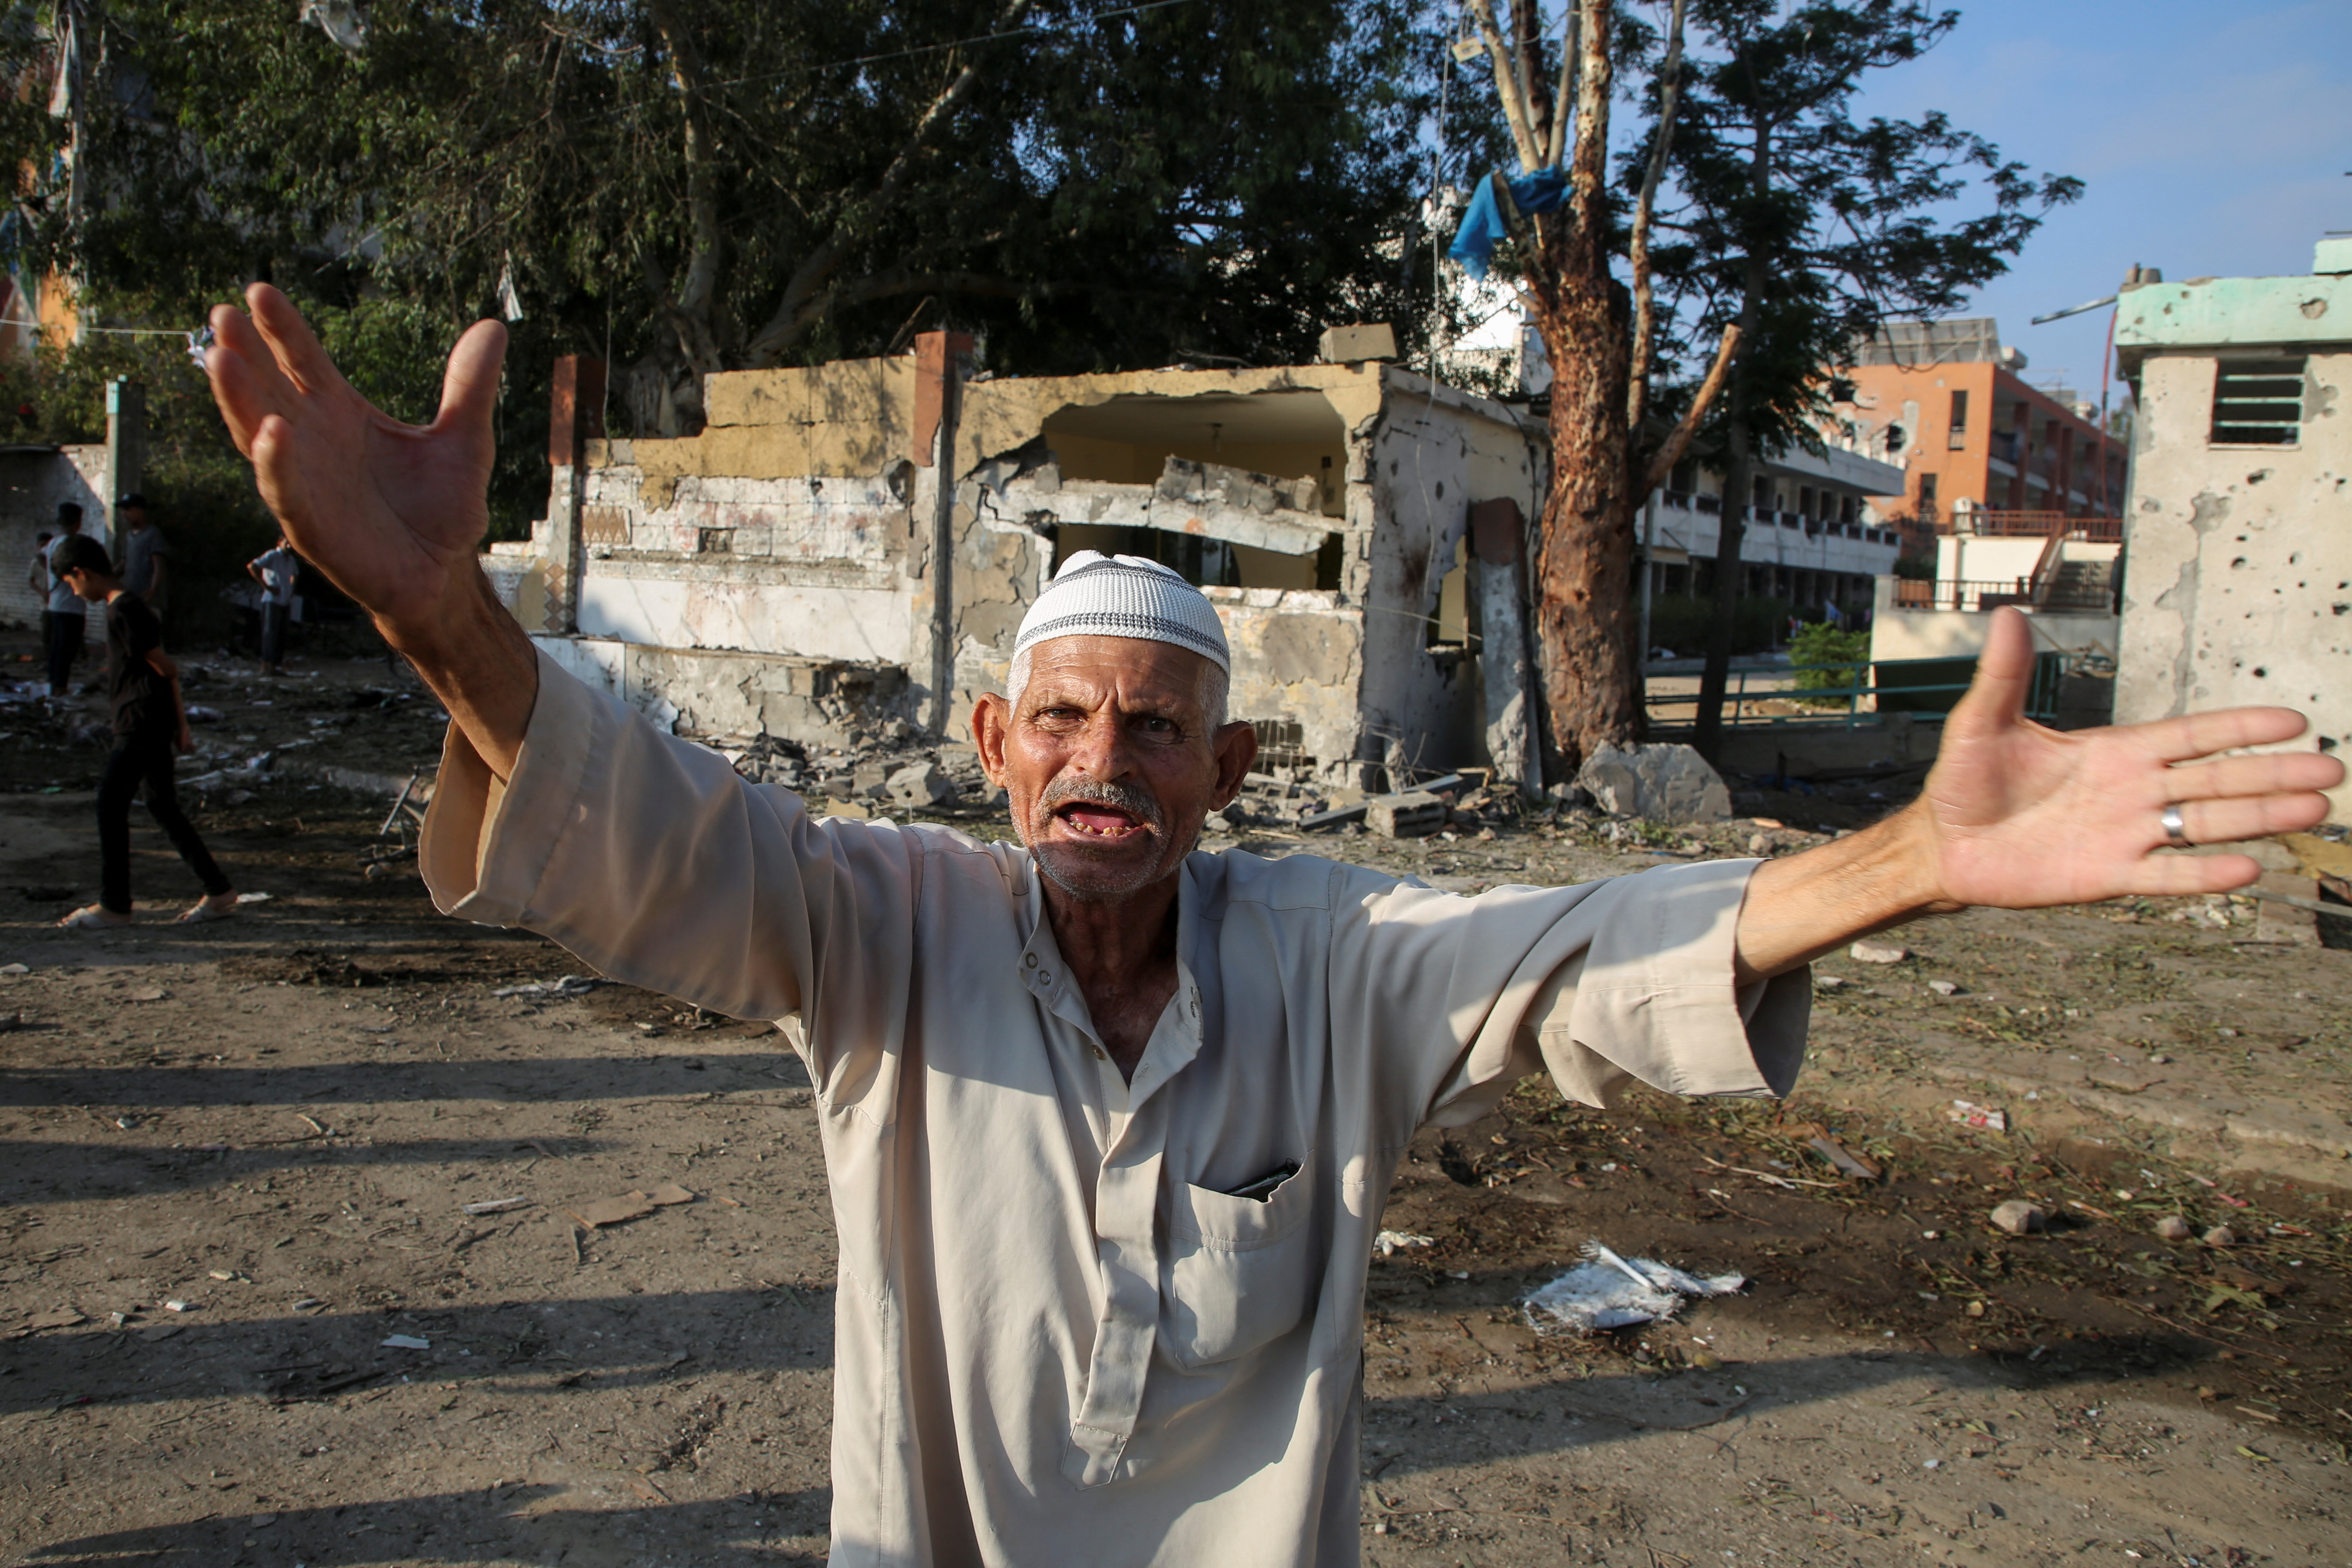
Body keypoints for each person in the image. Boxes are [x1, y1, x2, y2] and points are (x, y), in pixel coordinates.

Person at [202, 284, 2342, 1567]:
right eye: (1055, 720)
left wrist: (1911, 854)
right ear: (988, 746)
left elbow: (1582, 951)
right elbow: (657, 826)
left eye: (1153, 722)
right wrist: (438, 611)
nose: (1098, 758)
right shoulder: (876, 929)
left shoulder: (1326, 954)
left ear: (1227, 772)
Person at [48, 534, 239, 929]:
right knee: (162, 804)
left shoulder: (124, 610)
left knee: (110, 804)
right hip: (148, 720)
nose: (73, 590)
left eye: (70, 582)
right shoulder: (125, 607)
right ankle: (219, 891)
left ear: (81, 573)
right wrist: (180, 726)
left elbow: (166, 668)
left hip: (140, 722)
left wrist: (182, 725)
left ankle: (115, 905)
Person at [43, 501, 89, 698]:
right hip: (71, 606)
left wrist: (52, 579)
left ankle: (53, 683)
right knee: (66, 649)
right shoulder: (73, 544)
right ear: (78, 522)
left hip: (55, 603)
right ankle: (60, 687)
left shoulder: (53, 543)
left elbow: (40, 557)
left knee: (57, 648)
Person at [246, 534, 298, 675]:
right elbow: (253, 566)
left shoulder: (291, 560)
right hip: (272, 601)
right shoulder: (273, 556)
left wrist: (291, 589)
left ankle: (275, 665)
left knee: (281, 634)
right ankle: (265, 665)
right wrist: (267, 587)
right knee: (270, 633)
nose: (289, 547)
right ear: (280, 542)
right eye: (287, 543)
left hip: (285, 601)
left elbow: (295, 574)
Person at [114, 493, 169, 619]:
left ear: (140, 510)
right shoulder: (129, 537)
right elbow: (124, 565)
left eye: (128, 509)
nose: (124, 514)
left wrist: (152, 590)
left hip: (148, 601)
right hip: (131, 600)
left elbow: (158, 565)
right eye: (123, 510)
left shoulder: (152, 534)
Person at [29, 528, 52, 667]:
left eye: (47, 545)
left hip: (59, 602)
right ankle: (47, 660)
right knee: (46, 634)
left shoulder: (57, 561)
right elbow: (31, 581)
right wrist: (43, 593)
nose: (44, 548)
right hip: (46, 603)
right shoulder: (35, 563)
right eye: (42, 545)